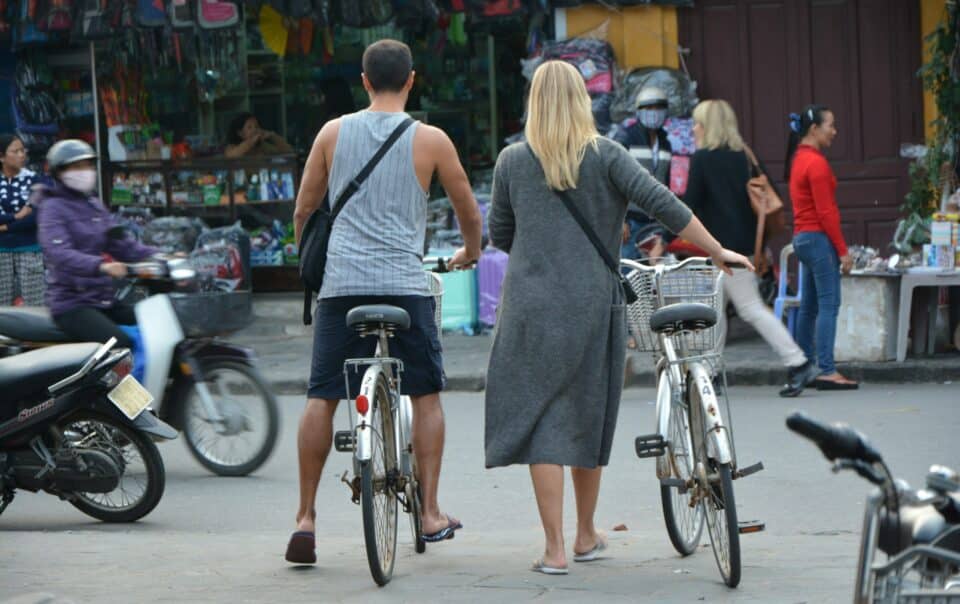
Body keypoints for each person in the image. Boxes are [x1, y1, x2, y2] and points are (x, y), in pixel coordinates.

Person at [484, 61, 753, 575]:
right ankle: (586, 534)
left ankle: (555, 549)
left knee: (543, 425)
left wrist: (542, 249)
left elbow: (501, 235)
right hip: (593, 304)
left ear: (533, 103)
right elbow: (665, 205)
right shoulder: (607, 156)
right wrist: (718, 250)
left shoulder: (512, 162)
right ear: (583, 102)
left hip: (531, 308)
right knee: (586, 414)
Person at [286, 39, 483, 565]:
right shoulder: (432, 139)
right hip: (404, 286)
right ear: (412, 80)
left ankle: (305, 517)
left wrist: (315, 259)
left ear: (365, 81)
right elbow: (468, 209)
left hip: (341, 288)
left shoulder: (332, 133)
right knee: (425, 394)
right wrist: (470, 251)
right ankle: (431, 511)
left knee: (322, 394)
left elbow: (304, 211)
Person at [685, 100, 819, 398]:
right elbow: (767, 196)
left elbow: (689, 204)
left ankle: (797, 362)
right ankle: (711, 373)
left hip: (719, 247)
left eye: (697, 122)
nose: (693, 128)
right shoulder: (744, 155)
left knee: (749, 308)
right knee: (713, 311)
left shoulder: (703, 158)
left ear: (708, 125)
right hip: (745, 245)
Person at [36, 140, 157, 349]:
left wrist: (160, 256)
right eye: (77, 167)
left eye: (88, 166)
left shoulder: (93, 204)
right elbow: (59, 253)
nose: (86, 172)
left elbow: (120, 244)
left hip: (102, 298)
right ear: (60, 172)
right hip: (72, 303)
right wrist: (101, 265)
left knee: (153, 322)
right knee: (120, 346)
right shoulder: (52, 207)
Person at [785, 105, 858, 390]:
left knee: (809, 307)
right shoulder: (815, 163)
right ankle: (827, 369)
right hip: (817, 239)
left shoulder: (799, 159)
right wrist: (842, 250)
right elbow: (826, 212)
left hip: (802, 239)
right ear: (814, 129)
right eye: (831, 125)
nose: (834, 131)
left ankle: (806, 366)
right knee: (829, 304)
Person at [610, 86, 673, 260]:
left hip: (656, 223)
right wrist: (620, 219)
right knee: (629, 273)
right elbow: (613, 181)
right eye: (648, 108)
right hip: (631, 223)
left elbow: (665, 183)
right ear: (639, 111)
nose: (654, 113)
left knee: (652, 276)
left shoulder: (666, 143)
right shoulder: (626, 139)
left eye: (658, 108)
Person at [0, 134, 45, 306]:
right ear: (2, 156)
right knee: (1, 308)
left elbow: (35, 216)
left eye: (22, 150)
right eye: (15, 151)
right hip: (1, 250)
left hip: (29, 248)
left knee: (35, 305)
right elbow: (24, 216)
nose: (22, 155)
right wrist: (16, 216)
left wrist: (5, 228)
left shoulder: (35, 180)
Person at [224, 113, 294, 158]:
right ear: (240, 133)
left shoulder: (263, 146)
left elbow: (288, 152)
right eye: (249, 127)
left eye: (256, 126)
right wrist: (251, 142)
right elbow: (232, 156)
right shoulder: (232, 147)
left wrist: (273, 136)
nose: (255, 130)